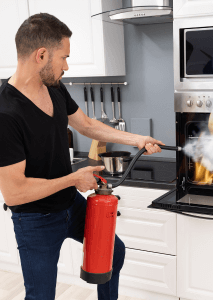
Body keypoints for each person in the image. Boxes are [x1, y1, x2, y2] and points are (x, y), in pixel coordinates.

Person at [0, 13, 164, 300]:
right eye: (63, 57)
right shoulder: (5, 113)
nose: (66, 65)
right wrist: (73, 179)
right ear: (41, 55)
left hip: (69, 205)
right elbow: (14, 193)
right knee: (40, 296)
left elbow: (86, 125)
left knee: (115, 252)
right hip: (36, 220)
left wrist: (138, 139)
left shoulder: (54, 86)